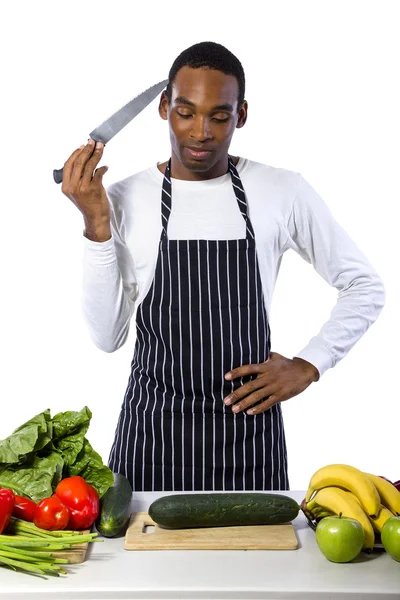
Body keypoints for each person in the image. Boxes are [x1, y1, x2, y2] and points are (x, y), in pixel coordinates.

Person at [61, 41, 385, 492]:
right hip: (152, 437)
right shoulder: (122, 199)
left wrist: (309, 364)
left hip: (250, 444)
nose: (200, 132)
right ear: (163, 109)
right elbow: (106, 337)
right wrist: (96, 223)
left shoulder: (282, 191)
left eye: (219, 116)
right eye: (185, 112)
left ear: (242, 115)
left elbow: (364, 285)